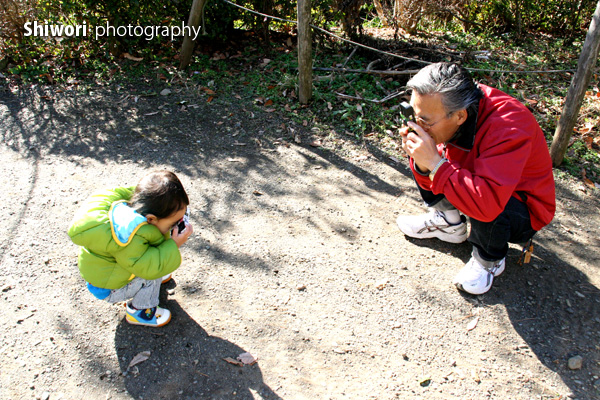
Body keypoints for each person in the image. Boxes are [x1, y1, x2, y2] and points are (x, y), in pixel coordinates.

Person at [396, 62, 555, 295]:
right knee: (427, 152)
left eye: (425, 121)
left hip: (521, 207)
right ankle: (449, 223)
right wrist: (422, 160)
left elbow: (487, 203)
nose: (416, 125)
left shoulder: (508, 126)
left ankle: (489, 259)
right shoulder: (453, 104)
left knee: (448, 170)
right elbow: (438, 167)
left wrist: (434, 163)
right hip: (475, 181)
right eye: (412, 114)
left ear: (460, 116)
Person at [68, 170, 193, 326]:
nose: (175, 226)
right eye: (172, 224)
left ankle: (145, 290)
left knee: (156, 259)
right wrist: (174, 245)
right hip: (109, 288)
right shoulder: (130, 237)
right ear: (151, 219)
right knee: (153, 271)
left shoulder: (137, 207)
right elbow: (149, 266)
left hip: (106, 273)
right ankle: (140, 311)